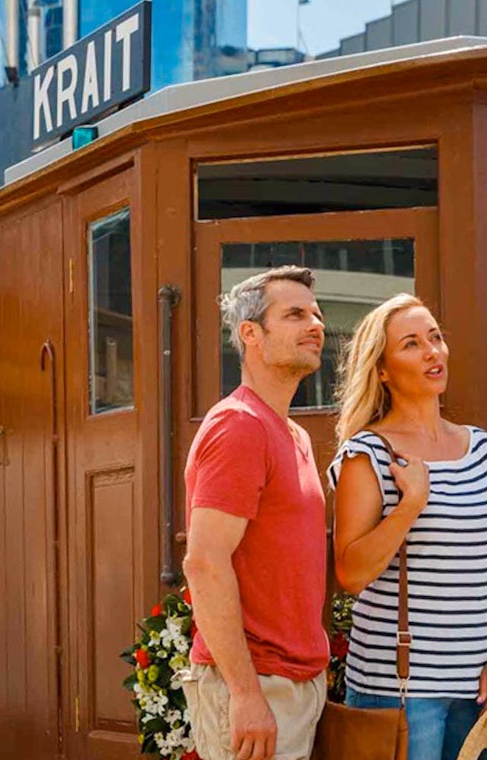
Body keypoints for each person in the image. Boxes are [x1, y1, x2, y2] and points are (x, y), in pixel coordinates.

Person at [328, 293, 487, 760]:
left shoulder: (486, 452)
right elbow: (351, 574)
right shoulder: (368, 454)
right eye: (411, 344)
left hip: (474, 689)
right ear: (383, 370)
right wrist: (411, 502)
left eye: (435, 337)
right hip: (398, 690)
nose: (432, 352)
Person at [181, 266, 330, 760]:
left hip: (295, 683)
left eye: (316, 313)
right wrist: (245, 694)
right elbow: (203, 563)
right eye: (294, 314)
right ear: (251, 334)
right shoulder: (240, 427)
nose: (316, 324)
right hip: (254, 685)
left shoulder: (295, 436)